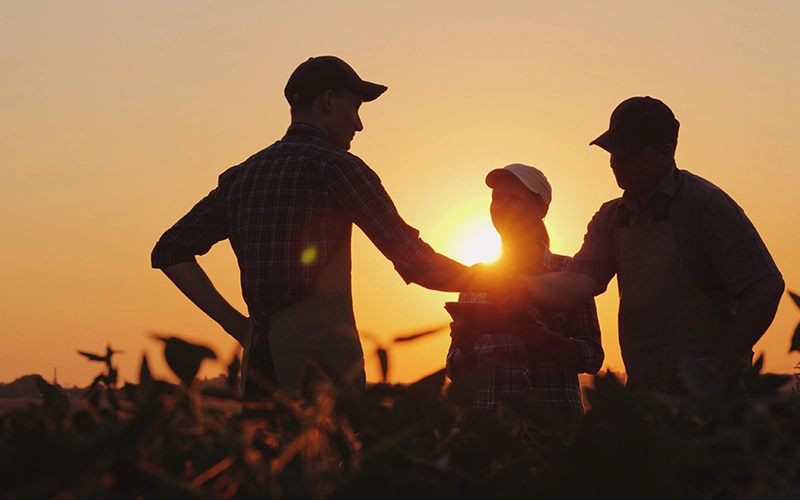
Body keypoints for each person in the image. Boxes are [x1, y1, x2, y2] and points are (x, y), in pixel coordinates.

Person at [151, 56, 492, 394]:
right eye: (355, 107)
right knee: (326, 449)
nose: (358, 125)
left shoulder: (241, 177)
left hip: (258, 372)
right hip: (322, 377)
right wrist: (499, 284)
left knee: (264, 449)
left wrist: (240, 328)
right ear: (329, 100)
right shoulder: (337, 168)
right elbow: (418, 264)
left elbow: (170, 250)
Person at [519, 96, 784, 393]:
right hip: (647, 396)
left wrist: (719, 365)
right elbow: (576, 282)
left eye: (627, 153)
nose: (616, 162)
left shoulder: (706, 205)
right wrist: (510, 286)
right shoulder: (611, 218)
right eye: (612, 152)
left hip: (715, 402)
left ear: (665, 153)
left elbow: (766, 287)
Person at [446, 164, 604, 421]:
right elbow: (456, 368)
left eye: (515, 199)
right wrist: (466, 347)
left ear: (542, 209)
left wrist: (546, 340)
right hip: (488, 428)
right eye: (497, 198)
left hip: (554, 428)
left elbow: (592, 357)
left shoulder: (569, 273)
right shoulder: (474, 277)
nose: (503, 206)